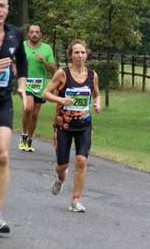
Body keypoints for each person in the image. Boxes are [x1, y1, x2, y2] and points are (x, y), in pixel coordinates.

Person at [42, 39, 101, 212]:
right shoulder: (62, 74)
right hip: (64, 127)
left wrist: (97, 104)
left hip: (84, 126)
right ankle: (60, 177)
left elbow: (96, 95)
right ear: (70, 56)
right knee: (63, 166)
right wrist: (60, 99)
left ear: (87, 54)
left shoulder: (92, 75)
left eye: (83, 52)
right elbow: (46, 93)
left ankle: (75, 200)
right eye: (76, 52)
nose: (80, 55)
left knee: (81, 161)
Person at [0, 0, 28, 233]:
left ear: (7, 9)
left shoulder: (16, 34)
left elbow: (23, 61)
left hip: (1, 102)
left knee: (3, 156)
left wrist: (22, 87)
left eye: (1, 5)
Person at [18, 24, 56, 152]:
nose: (34, 34)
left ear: (40, 35)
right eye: (32, 32)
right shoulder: (22, 46)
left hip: (39, 86)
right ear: (28, 34)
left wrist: (43, 61)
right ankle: (23, 135)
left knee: (34, 114)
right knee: (28, 108)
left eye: (37, 32)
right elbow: (13, 61)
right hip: (26, 83)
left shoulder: (46, 49)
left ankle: (29, 138)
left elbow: (53, 69)